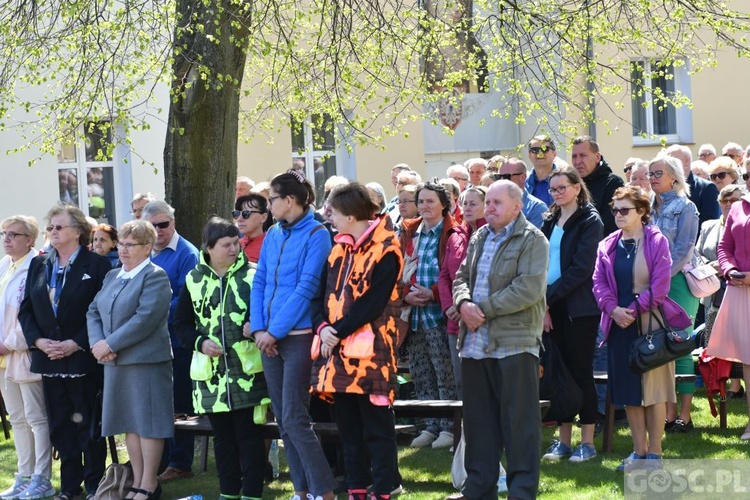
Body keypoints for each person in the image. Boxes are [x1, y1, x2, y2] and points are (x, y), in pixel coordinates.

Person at [449, 180, 548, 500]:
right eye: (486, 202)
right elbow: (461, 277)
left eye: (496, 203)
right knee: (479, 424)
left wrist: (482, 310)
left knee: (520, 425)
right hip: (475, 345)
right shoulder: (479, 237)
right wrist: (463, 304)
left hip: (515, 344)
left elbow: (528, 289)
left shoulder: (533, 240)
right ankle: (480, 487)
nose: (488, 207)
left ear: (517, 206)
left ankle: (521, 491)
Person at [310, 183, 404, 500]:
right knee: (348, 429)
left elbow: (373, 303)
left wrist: (334, 331)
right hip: (337, 354)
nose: (329, 216)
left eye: (333, 211)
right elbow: (319, 296)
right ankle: (356, 487)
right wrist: (322, 326)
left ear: (350, 215)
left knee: (377, 427)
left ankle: (384, 487)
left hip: (373, 355)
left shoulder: (388, 248)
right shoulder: (337, 249)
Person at [250, 170, 335, 500]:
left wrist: (274, 330)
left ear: (290, 201)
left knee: (296, 419)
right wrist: (260, 328)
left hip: (297, 337)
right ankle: (302, 492)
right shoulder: (272, 234)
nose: (268, 205)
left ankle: (323, 490)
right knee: (284, 422)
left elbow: (307, 287)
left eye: (271, 199)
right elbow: (260, 283)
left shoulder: (317, 233)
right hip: (269, 339)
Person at [18, 203, 111, 500]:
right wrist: (39, 341)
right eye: (51, 228)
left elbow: (103, 312)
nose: (53, 232)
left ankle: (95, 484)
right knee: (61, 427)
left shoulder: (96, 265)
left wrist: (77, 342)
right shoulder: (40, 264)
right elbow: (27, 310)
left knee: (88, 425)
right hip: (49, 358)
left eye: (59, 227)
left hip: (82, 357)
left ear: (78, 231)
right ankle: (70, 488)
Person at [593, 186, 687, 470]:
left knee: (655, 390)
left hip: (649, 324)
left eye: (625, 210)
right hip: (618, 323)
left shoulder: (656, 241)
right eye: (615, 210)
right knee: (629, 392)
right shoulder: (607, 244)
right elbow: (599, 283)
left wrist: (632, 311)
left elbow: (660, 286)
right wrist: (612, 309)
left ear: (642, 212)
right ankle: (639, 452)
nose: (618, 215)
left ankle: (655, 454)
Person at [175, 217, 269, 500]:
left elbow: (269, 312)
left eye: (236, 243)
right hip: (212, 379)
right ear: (209, 248)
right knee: (224, 441)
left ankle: (251, 494)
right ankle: (228, 493)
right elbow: (181, 324)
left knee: (250, 438)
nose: (234, 249)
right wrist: (200, 343)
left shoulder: (253, 276)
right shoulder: (193, 279)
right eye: (226, 244)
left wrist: (256, 325)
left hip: (248, 374)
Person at [87, 220, 173, 500]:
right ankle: (136, 481)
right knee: (129, 423)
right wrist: (98, 344)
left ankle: (149, 484)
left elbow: (145, 318)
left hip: (145, 362)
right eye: (121, 244)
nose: (123, 249)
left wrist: (109, 344)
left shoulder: (154, 276)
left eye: (130, 244)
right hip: (115, 362)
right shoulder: (113, 275)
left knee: (148, 424)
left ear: (148, 247)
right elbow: (93, 311)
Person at [539, 167, 603, 463]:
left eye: (562, 187)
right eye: (553, 189)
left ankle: (586, 442)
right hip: (551, 305)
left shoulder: (590, 220)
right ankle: (563, 442)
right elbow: (539, 262)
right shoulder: (549, 220)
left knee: (580, 372)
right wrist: (544, 305)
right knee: (557, 372)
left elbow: (581, 269)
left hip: (579, 308)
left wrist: (548, 300)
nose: (557, 193)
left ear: (577, 188)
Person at [141, 200, 200, 482]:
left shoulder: (187, 253)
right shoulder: (144, 252)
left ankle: (180, 462)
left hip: (177, 340)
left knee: (179, 403)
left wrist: (149, 311)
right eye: (152, 226)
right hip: (150, 341)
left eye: (163, 224)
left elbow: (186, 299)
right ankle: (160, 458)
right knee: (156, 402)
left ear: (173, 223)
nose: (159, 230)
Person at [399, 182, 459, 448]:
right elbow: (397, 268)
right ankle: (430, 425)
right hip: (413, 314)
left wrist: (433, 293)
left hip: (438, 313)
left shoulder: (451, 231)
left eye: (430, 201)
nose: (424, 206)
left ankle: (448, 426)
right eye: (421, 201)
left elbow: (453, 273)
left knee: (443, 370)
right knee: (421, 371)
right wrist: (405, 294)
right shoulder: (410, 231)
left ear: (443, 204)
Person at [0, 216, 56, 499]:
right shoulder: (5, 266)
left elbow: (33, 314)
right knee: (17, 419)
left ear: (30, 239)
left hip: (23, 353)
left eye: (13, 234)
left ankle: (42, 477)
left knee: (36, 417)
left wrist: (9, 344)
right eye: (4, 234)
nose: (7, 239)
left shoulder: (38, 266)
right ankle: (24, 475)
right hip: (2, 358)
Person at [648, 155, 700, 432]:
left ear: (675, 178)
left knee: (680, 345)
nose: (652, 177)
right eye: (650, 173)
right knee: (660, 349)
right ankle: (667, 414)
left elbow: (683, 249)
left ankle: (685, 415)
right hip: (649, 285)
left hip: (677, 282)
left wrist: (660, 280)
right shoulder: (645, 208)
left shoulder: (685, 207)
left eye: (658, 173)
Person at [706, 184, 750, 440]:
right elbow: (724, 247)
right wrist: (730, 269)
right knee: (748, 360)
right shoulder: (737, 207)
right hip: (739, 290)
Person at [438, 186, 487, 397]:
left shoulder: (492, 235)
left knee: (484, 382)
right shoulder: (455, 236)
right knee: (461, 381)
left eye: (473, 203)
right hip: (455, 322)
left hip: (481, 319)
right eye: (464, 203)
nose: (467, 208)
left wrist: (466, 305)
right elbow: (445, 276)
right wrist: (450, 305)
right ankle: (466, 429)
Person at [696, 186, 743, 386]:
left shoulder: (743, 224)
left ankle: (736, 384)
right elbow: (697, 254)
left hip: (738, 287)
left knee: (740, 339)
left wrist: (728, 268)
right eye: (724, 200)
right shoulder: (708, 226)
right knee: (714, 338)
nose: (728, 204)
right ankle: (715, 383)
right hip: (713, 289)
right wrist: (710, 266)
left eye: (733, 200)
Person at [571, 135, 625, 236]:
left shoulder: (613, 184)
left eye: (583, 155)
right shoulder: (570, 185)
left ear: (597, 157)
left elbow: (610, 227)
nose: (577, 161)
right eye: (574, 156)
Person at [666, 144, 720, 230]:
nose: (668, 164)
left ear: (686, 160)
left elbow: (708, 223)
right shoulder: (665, 187)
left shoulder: (706, 188)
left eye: (672, 160)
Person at [498, 157, 547, 228]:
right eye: (498, 177)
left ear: (523, 177)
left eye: (506, 176)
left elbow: (533, 238)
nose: (502, 180)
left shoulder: (537, 207)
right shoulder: (493, 205)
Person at [233, 194, 272, 264]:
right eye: (237, 214)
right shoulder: (234, 244)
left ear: (263, 217)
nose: (239, 219)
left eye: (246, 213)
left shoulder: (271, 246)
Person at [525, 134, 558, 205]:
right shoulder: (523, 184)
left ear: (554, 153)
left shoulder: (565, 181)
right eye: (534, 150)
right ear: (529, 155)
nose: (540, 153)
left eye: (544, 149)